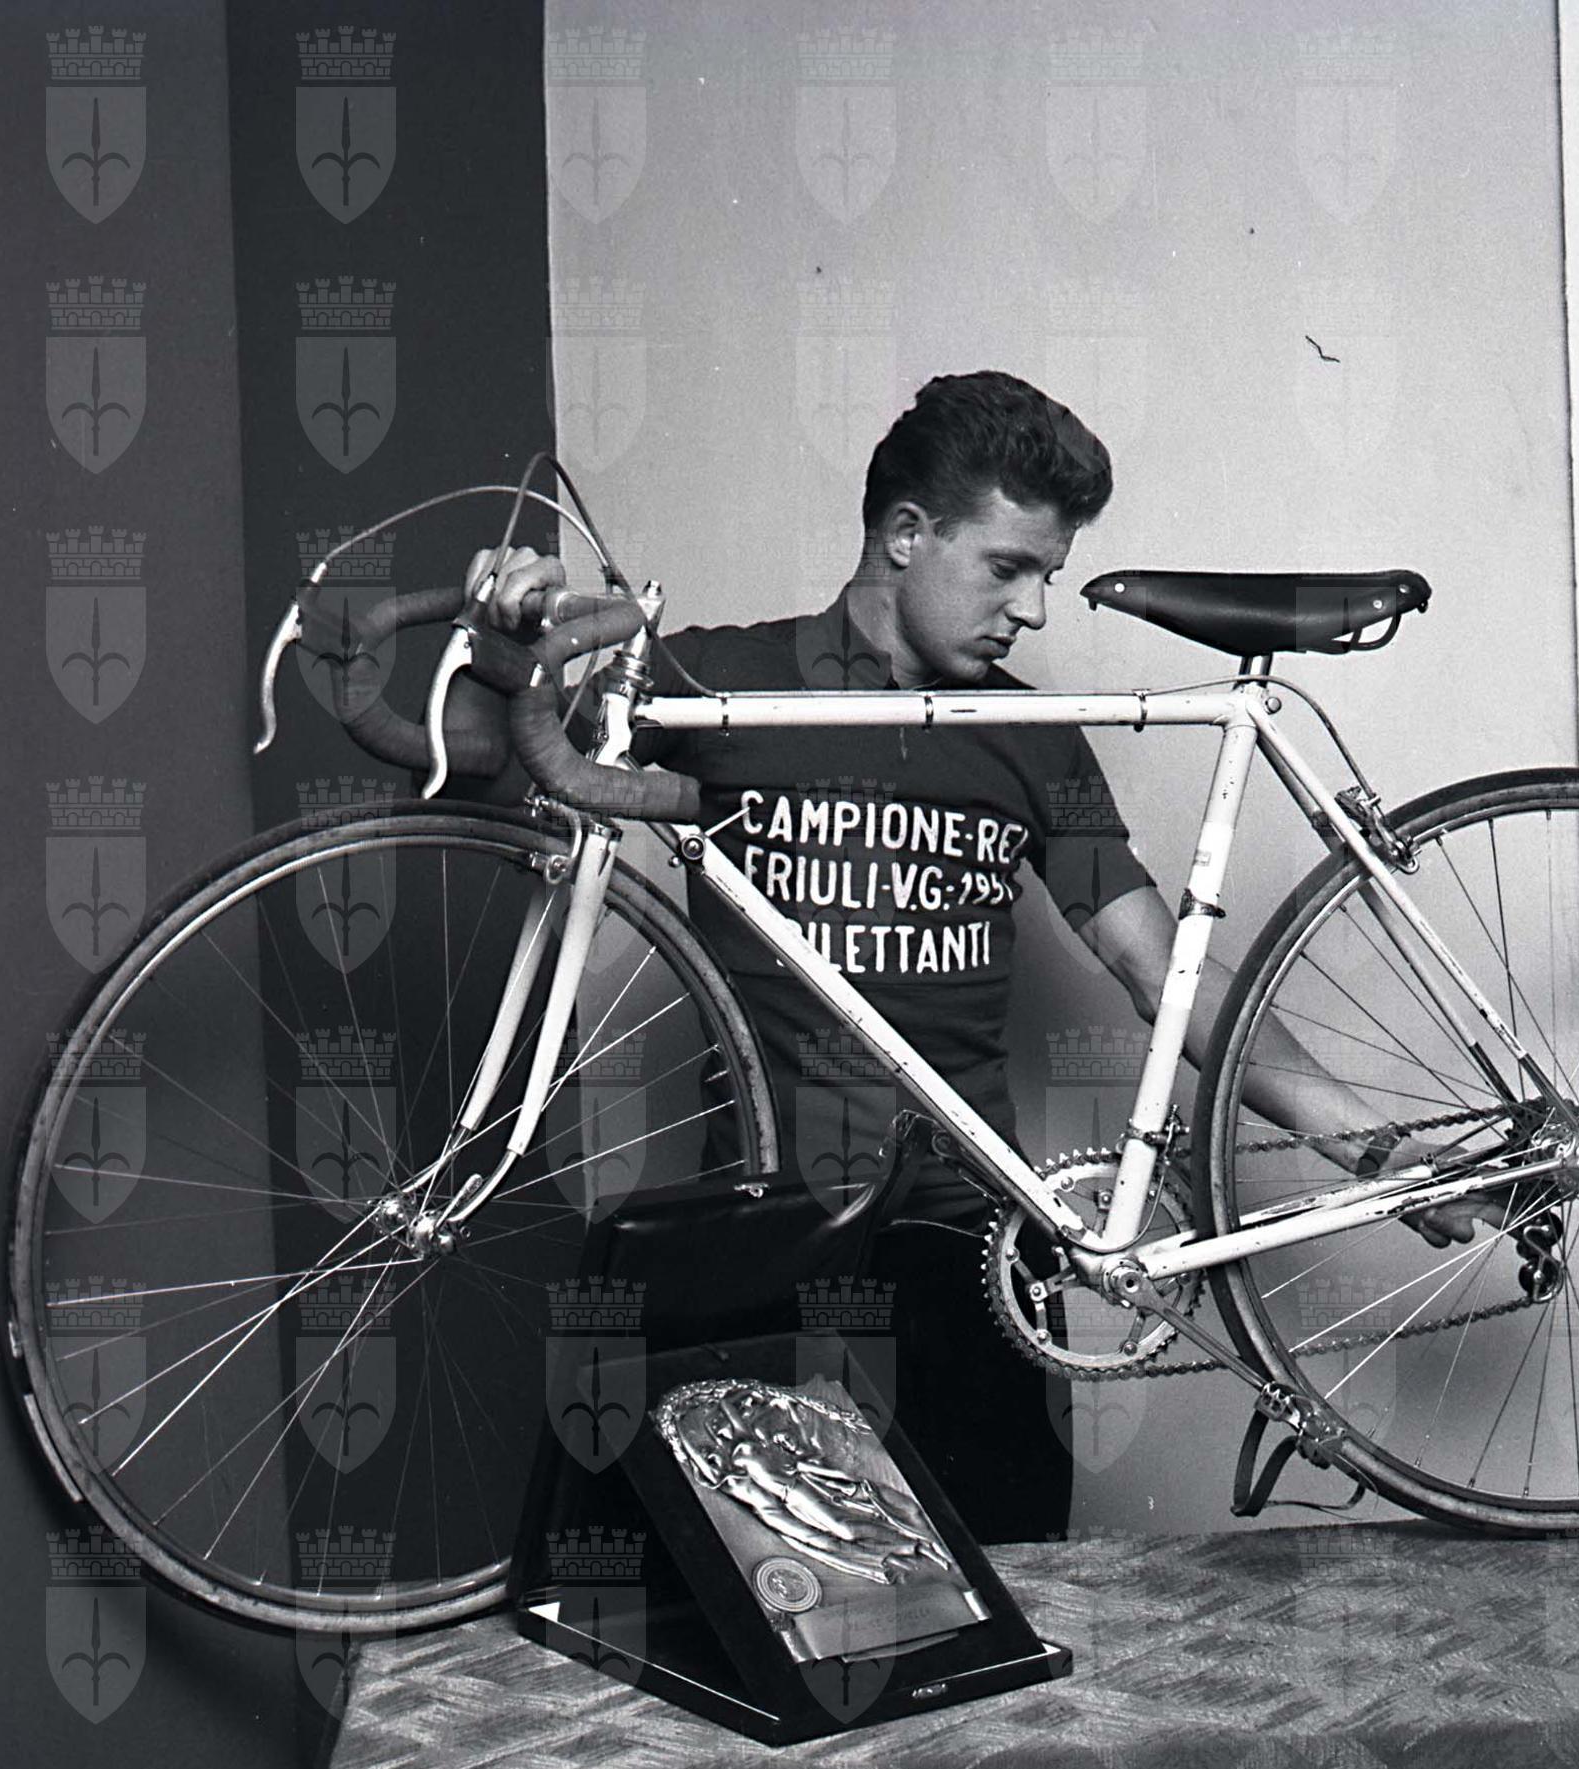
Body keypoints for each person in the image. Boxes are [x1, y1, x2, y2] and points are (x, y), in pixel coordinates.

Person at [476, 371, 1489, 1542]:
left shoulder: (1027, 735)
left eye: (1048, 574)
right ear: (906, 533)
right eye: (1008, 567)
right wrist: (507, 650)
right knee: (747, 1609)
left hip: (969, 1247)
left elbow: (1165, 976)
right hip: (760, 1231)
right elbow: (495, 778)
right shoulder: (713, 683)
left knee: (1008, 1607)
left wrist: (1376, 1149)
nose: (1035, 610)